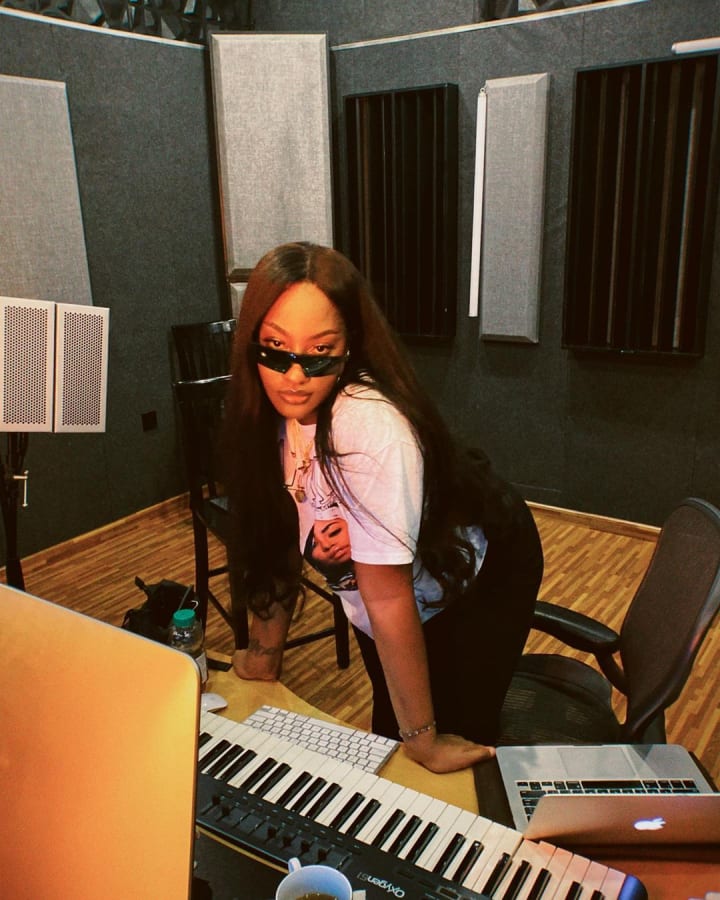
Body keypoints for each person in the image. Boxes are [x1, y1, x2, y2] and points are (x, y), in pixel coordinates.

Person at [223, 241, 544, 774]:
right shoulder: (263, 411)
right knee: (389, 737)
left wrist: (423, 740)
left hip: (481, 571)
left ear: (349, 346)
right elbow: (273, 536)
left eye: (319, 351)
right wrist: (263, 656)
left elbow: (390, 599)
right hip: (388, 580)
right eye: (276, 348)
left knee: (445, 743)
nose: (294, 376)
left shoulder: (368, 429)